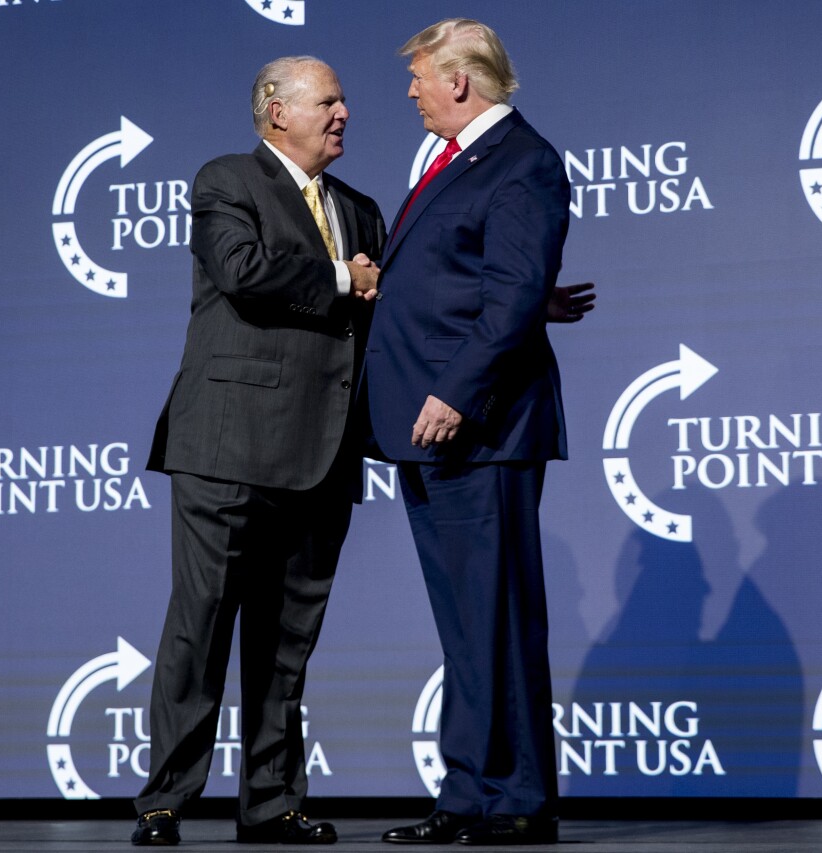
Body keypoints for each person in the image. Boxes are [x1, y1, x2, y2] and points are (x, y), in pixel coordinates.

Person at [131, 56, 384, 847]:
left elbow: (393, 310)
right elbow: (242, 272)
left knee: (286, 640)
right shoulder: (226, 181)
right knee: (200, 623)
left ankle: (272, 801)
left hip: (322, 450)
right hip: (226, 444)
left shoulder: (362, 210)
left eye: (344, 101)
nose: (344, 112)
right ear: (278, 111)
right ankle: (167, 795)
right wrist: (343, 276)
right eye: (329, 100)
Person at [366, 20, 570, 846]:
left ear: (460, 81)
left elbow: (514, 295)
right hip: (431, 427)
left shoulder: (523, 162)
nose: (409, 91)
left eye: (419, 78)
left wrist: (457, 391)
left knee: (498, 616)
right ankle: (469, 794)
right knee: (465, 622)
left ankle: (513, 796)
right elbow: (478, 276)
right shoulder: (445, 160)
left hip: (479, 428)